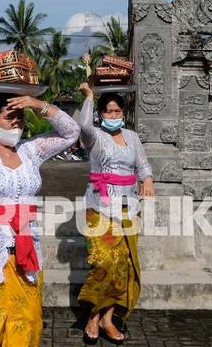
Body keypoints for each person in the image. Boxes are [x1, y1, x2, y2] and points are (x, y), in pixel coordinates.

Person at [0, 71, 80, 347]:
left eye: (20, 118)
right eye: (9, 117)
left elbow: (72, 132)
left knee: (25, 324)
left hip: (26, 247)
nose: (17, 123)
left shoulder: (31, 151)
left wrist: (39, 106)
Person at [76, 81, 154, 344]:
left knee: (122, 266)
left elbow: (142, 163)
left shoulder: (132, 137)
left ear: (123, 113)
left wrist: (147, 179)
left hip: (127, 208)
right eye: (108, 111)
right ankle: (93, 315)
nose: (113, 115)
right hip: (99, 207)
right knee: (104, 261)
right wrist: (89, 97)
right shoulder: (95, 136)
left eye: (117, 111)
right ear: (100, 114)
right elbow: (84, 126)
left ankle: (106, 319)